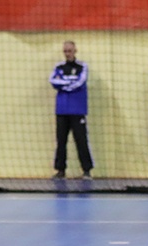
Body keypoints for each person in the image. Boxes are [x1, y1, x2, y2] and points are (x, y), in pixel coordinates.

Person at [49, 41, 94, 180]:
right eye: (65, 51)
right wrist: (69, 83)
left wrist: (64, 84)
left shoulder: (82, 66)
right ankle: (60, 170)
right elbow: (53, 81)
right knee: (61, 141)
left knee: (81, 140)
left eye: (70, 50)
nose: (67, 53)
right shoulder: (59, 66)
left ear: (75, 50)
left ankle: (86, 170)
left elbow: (81, 81)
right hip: (62, 110)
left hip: (77, 109)